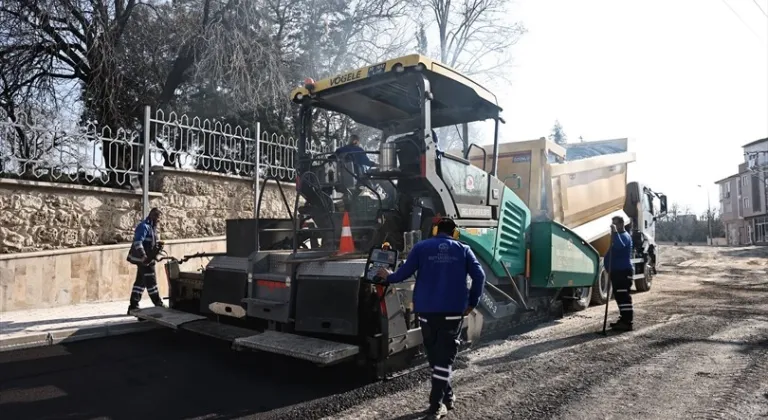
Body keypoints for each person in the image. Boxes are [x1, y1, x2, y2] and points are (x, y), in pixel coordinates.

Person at [376, 217, 486, 420]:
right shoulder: (463, 249)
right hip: (453, 312)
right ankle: (444, 399)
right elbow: (480, 276)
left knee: (437, 357)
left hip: (426, 312)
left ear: (436, 231)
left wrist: (388, 275)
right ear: (454, 233)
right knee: (443, 359)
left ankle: (437, 404)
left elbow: (402, 274)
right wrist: (472, 303)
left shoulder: (421, 247)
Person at [126, 208, 166, 314]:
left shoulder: (152, 228)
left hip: (148, 259)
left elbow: (152, 244)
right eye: (158, 218)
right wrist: (144, 257)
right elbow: (138, 243)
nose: (159, 221)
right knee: (151, 282)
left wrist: (157, 254)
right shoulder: (144, 226)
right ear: (153, 216)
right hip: (144, 260)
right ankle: (158, 304)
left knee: (140, 283)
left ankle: (133, 306)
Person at [604, 215, 634, 331]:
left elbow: (619, 245)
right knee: (619, 297)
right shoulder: (618, 236)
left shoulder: (624, 236)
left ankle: (627, 322)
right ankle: (623, 319)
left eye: (615, 224)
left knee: (623, 297)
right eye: (612, 224)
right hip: (617, 273)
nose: (613, 226)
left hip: (623, 272)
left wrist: (615, 233)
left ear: (621, 224)